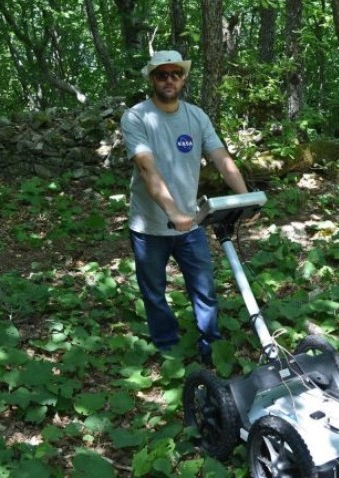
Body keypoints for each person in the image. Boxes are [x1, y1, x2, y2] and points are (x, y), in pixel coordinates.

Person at [120, 50, 250, 365]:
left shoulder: (196, 116)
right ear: (152, 78)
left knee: (204, 288)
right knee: (154, 292)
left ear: (183, 78)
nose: (169, 80)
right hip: (149, 226)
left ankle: (211, 349)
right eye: (162, 74)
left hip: (190, 223)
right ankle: (168, 347)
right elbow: (147, 169)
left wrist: (245, 197)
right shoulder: (136, 117)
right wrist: (172, 211)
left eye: (175, 74)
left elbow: (221, 158)